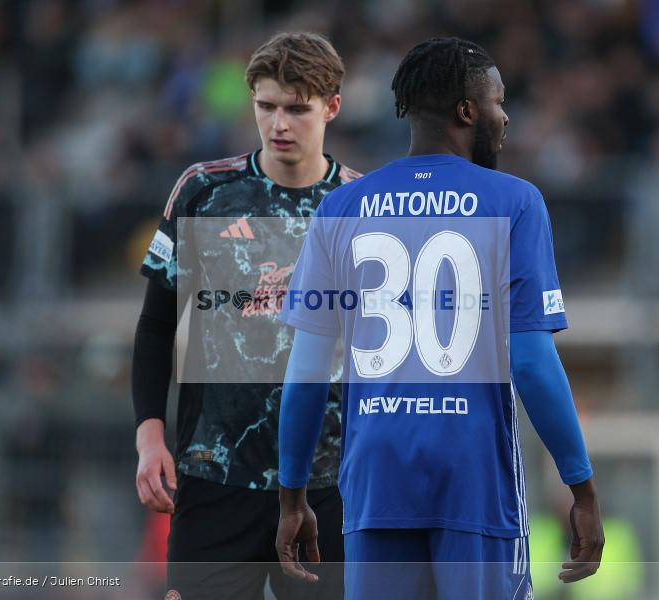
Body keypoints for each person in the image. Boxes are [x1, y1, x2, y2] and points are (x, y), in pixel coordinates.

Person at [275, 37, 604, 600]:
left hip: (376, 476)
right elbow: (530, 360)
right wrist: (583, 487)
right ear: (467, 110)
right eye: (498, 102)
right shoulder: (515, 202)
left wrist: (292, 495)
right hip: (473, 472)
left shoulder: (341, 207)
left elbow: (306, 372)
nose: (505, 117)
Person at [132, 32, 360, 600]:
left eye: (296, 108)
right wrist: (149, 436)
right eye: (267, 107)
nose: (279, 123)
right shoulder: (204, 191)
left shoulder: (362, 208)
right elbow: (157, 324)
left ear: (331, 106)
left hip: (328, 484)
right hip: (214, 474)